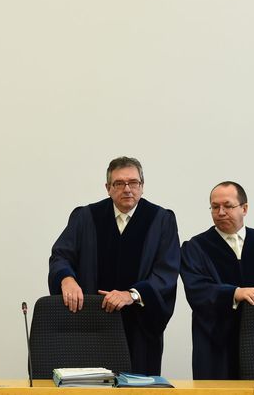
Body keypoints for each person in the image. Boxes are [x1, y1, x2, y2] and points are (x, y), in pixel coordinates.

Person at [48, 156, 180, 375]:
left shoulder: (161, 219)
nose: (127, 189)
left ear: (142, 186)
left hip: (140, 326)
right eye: (119, 183)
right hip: (90, 325)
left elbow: (167, 270)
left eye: (133, 182)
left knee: (138, 385)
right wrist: (66, 279)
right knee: (90, 384)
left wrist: (132, 294)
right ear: (108, 188)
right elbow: (61, 255)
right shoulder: (86, 216)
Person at [180, 181, 254, 379]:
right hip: (215, 343)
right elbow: (196, 289)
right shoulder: (196, 247)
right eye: (215, 207)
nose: (221, 212)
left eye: (228, 206)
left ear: (244, 208)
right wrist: (234, 293)